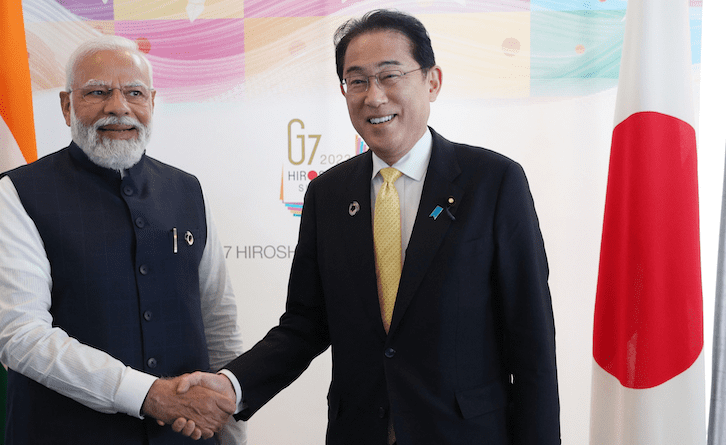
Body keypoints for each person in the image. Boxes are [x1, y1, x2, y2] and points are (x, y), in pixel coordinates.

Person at [177, 8, 561, 445]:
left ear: (432, 80)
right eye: (356, 81)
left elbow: (530, 338)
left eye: (390, 76)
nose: (373, 97)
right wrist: (232, 385)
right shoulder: (329, 194)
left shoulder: (493, 181)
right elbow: (305, 324)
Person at [0, 35, 245, 444]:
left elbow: (219, 323)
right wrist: (147, 395)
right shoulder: (21, 193)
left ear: (153, 102)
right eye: (98, 92)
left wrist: (232, 430)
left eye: (134, 93)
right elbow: (21, 335)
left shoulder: (187, 190)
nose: (118, 107)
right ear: (67, 105)